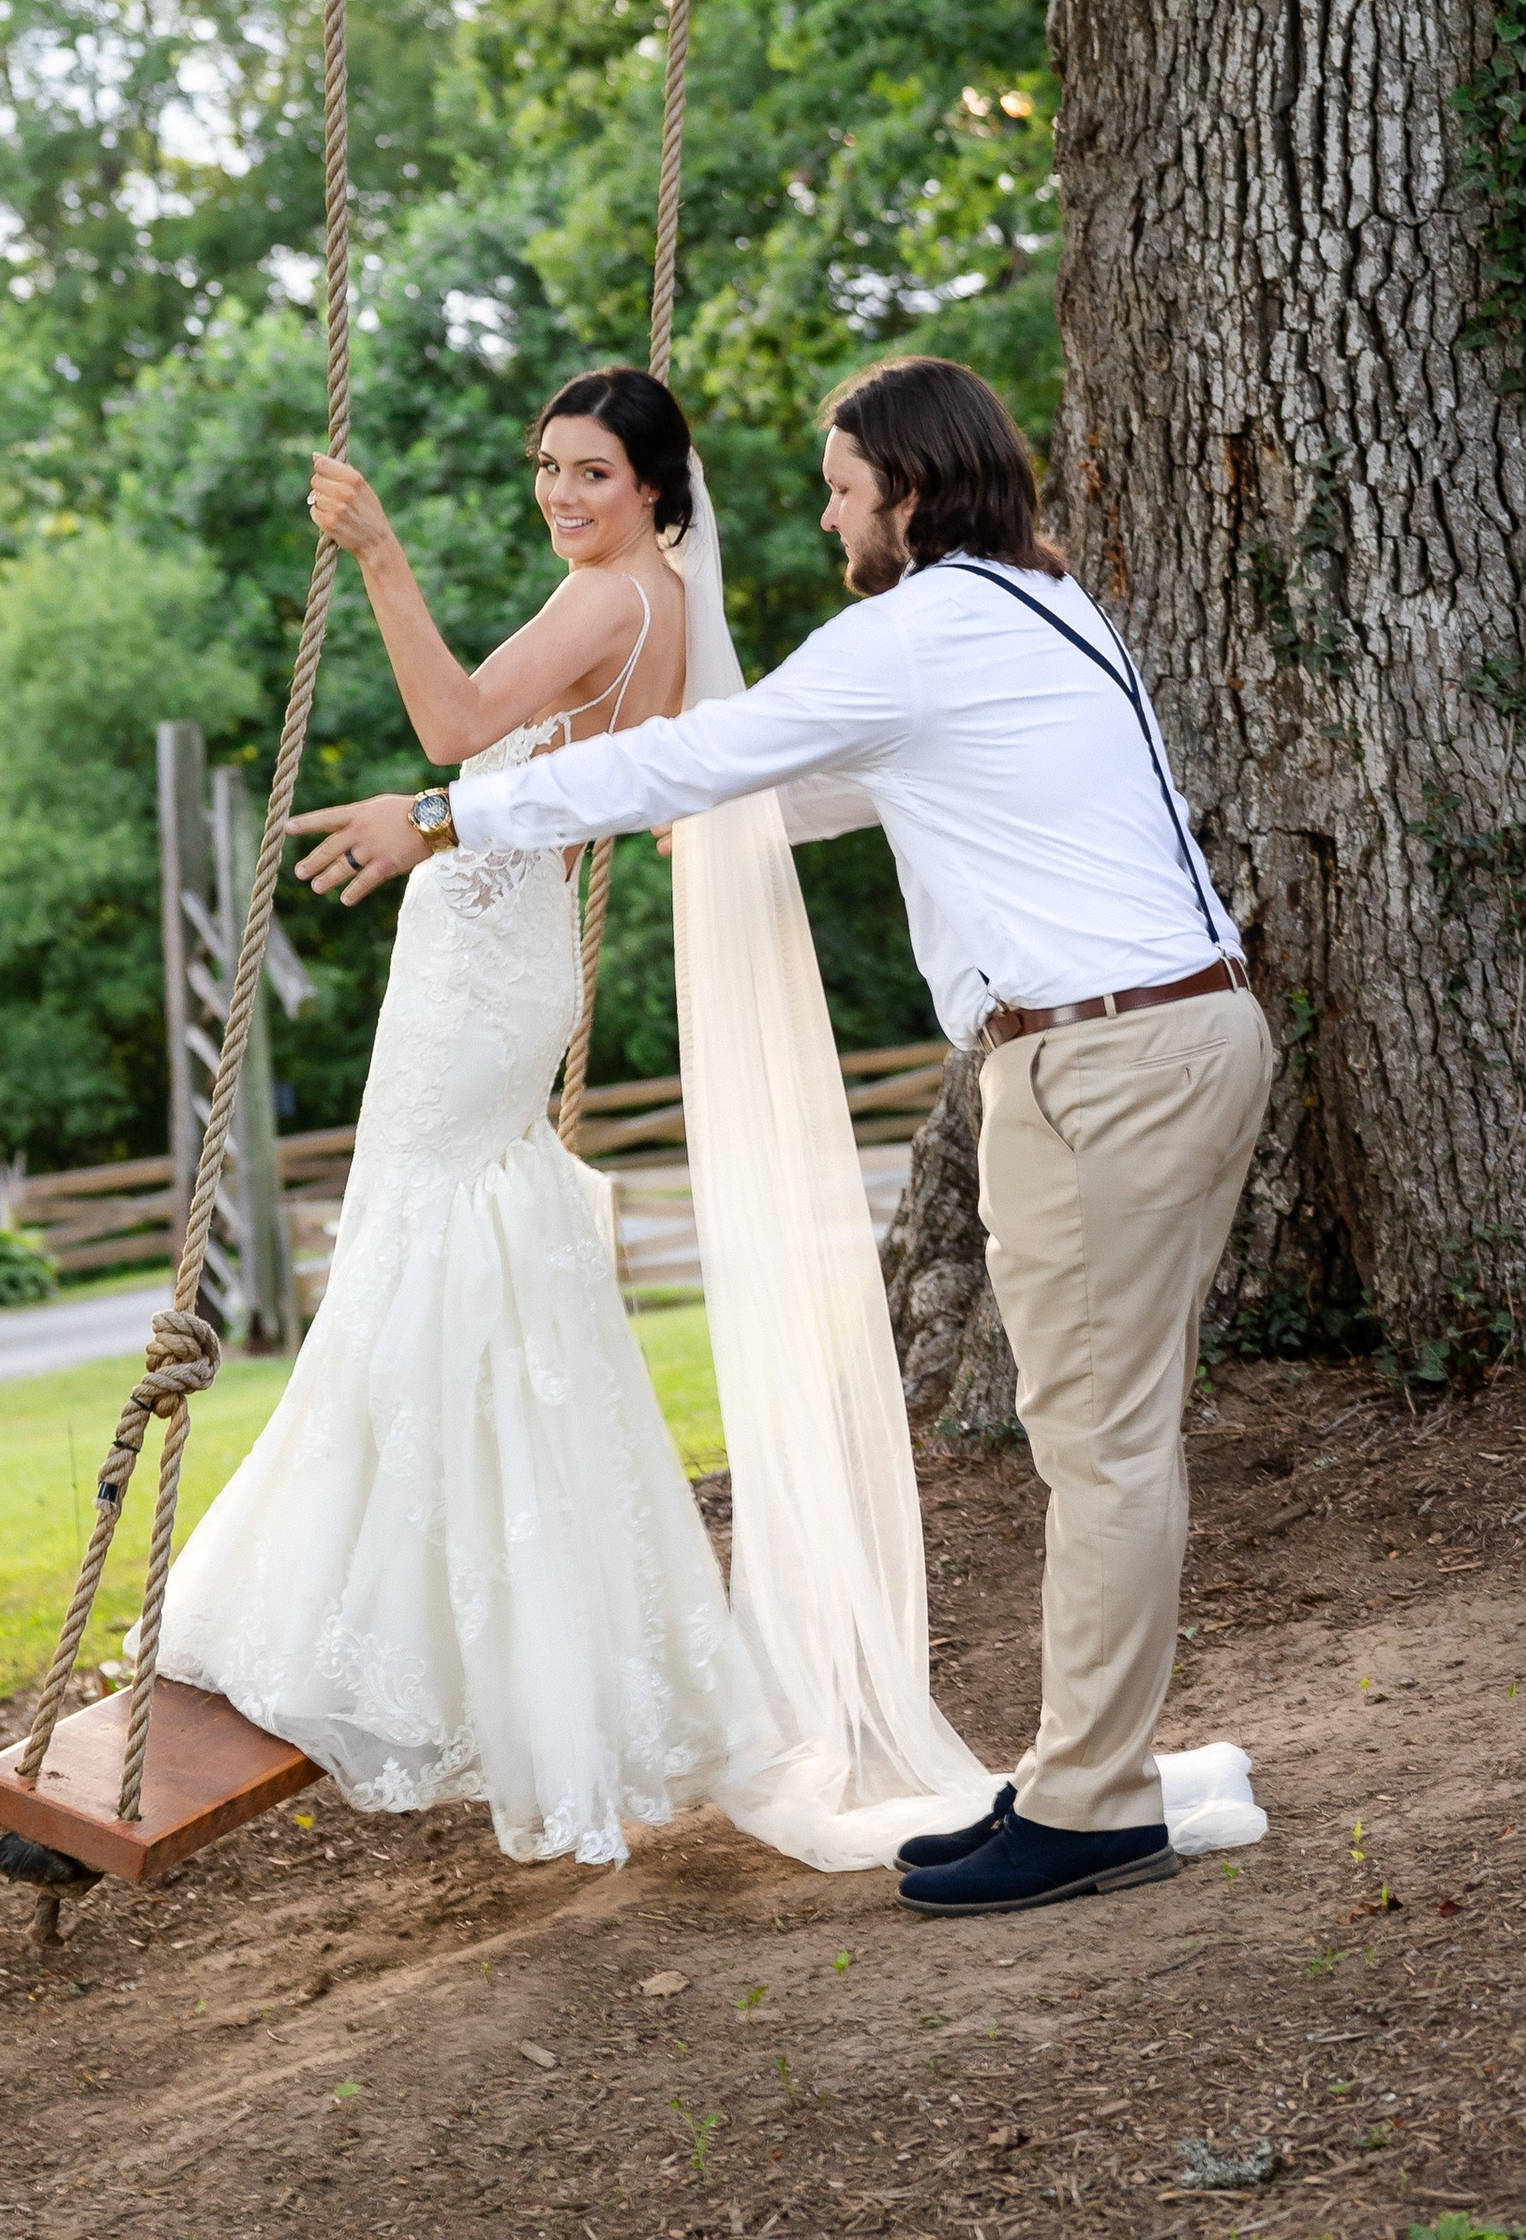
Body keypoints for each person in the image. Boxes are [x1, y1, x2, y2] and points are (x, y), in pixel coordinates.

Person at [293, 354, 1276, 1919]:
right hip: (1174, 1033)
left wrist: (441, 814)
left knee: (1100, 1441)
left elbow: (712, 749)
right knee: (1102, 1429)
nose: (823, 519)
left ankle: (1091, 1806)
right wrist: (716, 816)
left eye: (839, 488)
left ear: (908, 490)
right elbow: (823, 777)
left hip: (1106, 1063)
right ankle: (1090, 1775)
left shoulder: (921, 626)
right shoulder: (1036, 608)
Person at [159, 367, 970, 1867]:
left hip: (482, 970)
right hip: (492, 954)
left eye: (591, 473)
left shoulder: (615, 599)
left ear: (659, 488)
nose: (561, 497)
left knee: (417, 1245)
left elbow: (455, 717)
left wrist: (381, 558)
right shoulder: (652, 601)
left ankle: (348, 1611)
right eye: (547, 468)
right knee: (449, 1259)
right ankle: (468, 1618)